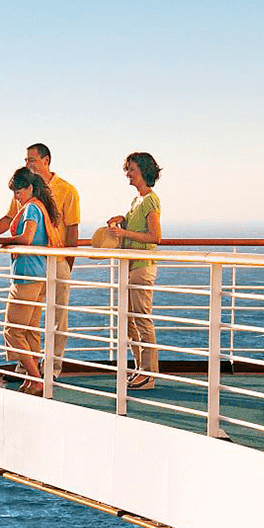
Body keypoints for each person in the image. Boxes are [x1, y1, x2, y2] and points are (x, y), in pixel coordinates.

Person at [0, 167, 60, 395]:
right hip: (39, 275)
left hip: (27, 276)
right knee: (29, 331)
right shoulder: (40, 207)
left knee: (12, 331)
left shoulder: (31, 208)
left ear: (30, 188)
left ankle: (36, 379)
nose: (16, 197)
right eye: (14, 192)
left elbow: (27, 238)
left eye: (19, 191)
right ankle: (32, 379)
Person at [104, 152, 163, 389]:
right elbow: (137, 229)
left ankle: (149, 374)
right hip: (131, 266)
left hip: (142, 266)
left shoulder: (150, 200)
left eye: (132, 169)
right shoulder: (136, 201)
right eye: (127, 169)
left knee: (141, 319)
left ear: (143, 171)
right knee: (130, 321)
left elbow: (155, 236)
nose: (128, 174)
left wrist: (124, 232)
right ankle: (140, 368)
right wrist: (122, 220)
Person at [24, 144, 82, 377]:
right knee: (29, 316)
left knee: (58, 317)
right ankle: (28, 365)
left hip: (57, 260)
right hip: (32, 262)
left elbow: (73, 229)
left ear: (46, 160)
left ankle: (52, 367)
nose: (27, 164)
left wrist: (68, 262)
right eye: (26, 160)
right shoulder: (26, 188)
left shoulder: (67, 190)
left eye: (31, 160)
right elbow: (10, 217)